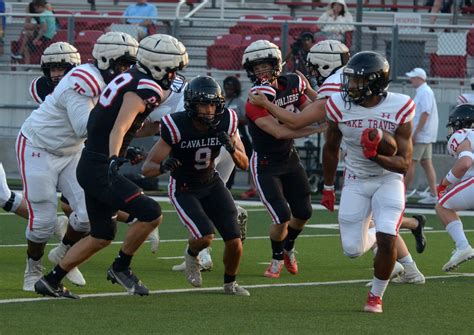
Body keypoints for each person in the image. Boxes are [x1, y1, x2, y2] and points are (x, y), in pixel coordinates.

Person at [34, 33, 187, 299]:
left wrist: (144, 136)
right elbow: (120, 126)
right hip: (100, 166)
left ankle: (51, 280)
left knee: (103, 234)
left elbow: (116, 124)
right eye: (172, 70)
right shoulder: (145, 87)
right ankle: (121, 267)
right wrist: (116, 157)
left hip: (91, 162)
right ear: (159, 65)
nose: (173, 76)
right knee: (151, 212)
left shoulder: (128, 79)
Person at [16, 31, 138, 294]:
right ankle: (33, 269)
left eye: (131, 66)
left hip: (72, 152)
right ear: (107, 60)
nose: (127, 71)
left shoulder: (113, 82)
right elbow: (85, 127)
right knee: (42, 223)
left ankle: (63, 253)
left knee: (85, 218)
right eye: (123, 65)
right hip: (39, 147)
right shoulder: (82, 82)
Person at [321, 51, 418, 313]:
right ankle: (378, 233)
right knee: (352, 250)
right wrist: (328, 187)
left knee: (388, 238)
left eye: (357, 81)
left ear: (375, 83)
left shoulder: (400, 106)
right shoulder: (338, 104)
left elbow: (404, 163)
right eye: (349, 80)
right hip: (354, 180)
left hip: (388, 180)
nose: (350, 86)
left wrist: (375, 156)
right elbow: (331, 148)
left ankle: (376, 295)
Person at [142, 75, 250, 296]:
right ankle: (192, 255)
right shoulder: (176, 124)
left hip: (212, 182)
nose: (209, 110)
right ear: (191, 104)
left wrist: (231, 147)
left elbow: (245, 164)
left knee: (235, 241)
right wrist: (164, 167)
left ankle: (230, 284)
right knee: (204, 236)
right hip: (184, 187)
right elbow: (147, 168)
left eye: (212, 104)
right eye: (203, 104)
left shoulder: (226, 120)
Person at [244, 40, 322, 279]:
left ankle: (288, 247)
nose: (260, 72)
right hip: (266, 163)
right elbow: (280, 132)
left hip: (289, 157)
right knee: (281, 216)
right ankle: (277, 257)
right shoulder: (254, 99)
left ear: (276, 65)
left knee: (304, 212)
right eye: (256, 69)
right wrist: (318, 129)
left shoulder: (293, 83)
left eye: (264, 67)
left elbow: (313, 109)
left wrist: (309, 90)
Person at [436, 104, 474, 271]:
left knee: (442, 206)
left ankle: (462, 246)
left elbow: (465, 163)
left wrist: (444, 182)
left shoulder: (463, 134)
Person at [404, 68, 439, 205]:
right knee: (426, 163)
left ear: (420, 78)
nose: (411, 80)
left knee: (412, 162)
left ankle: (403, 193)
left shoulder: (424, 92)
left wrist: (415, 133)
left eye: (413, 78)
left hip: (422, 135)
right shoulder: (424, 91)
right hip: (425, 135)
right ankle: (434, 194)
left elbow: (425, 113)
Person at [222, 76, 252, 192]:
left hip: (240, 135)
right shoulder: (221, 101)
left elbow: (247, 119)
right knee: (229, 161)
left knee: (250, 158)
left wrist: (234, 120)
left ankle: (253, 187)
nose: (228, 89)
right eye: (227, 87)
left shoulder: (239, 102)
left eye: (231, 87)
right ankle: (226, 187)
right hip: (225, 136)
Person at [23, 0, 57, 64]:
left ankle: (27, 66)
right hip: (50, 36)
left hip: (45, 36)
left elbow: (44, 29)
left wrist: (36, 39)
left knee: (26, 48)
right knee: (28, 34)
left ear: (39, 7)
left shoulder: (42, 15)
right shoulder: (50, 13)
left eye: (36, 8)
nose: (35, 11)